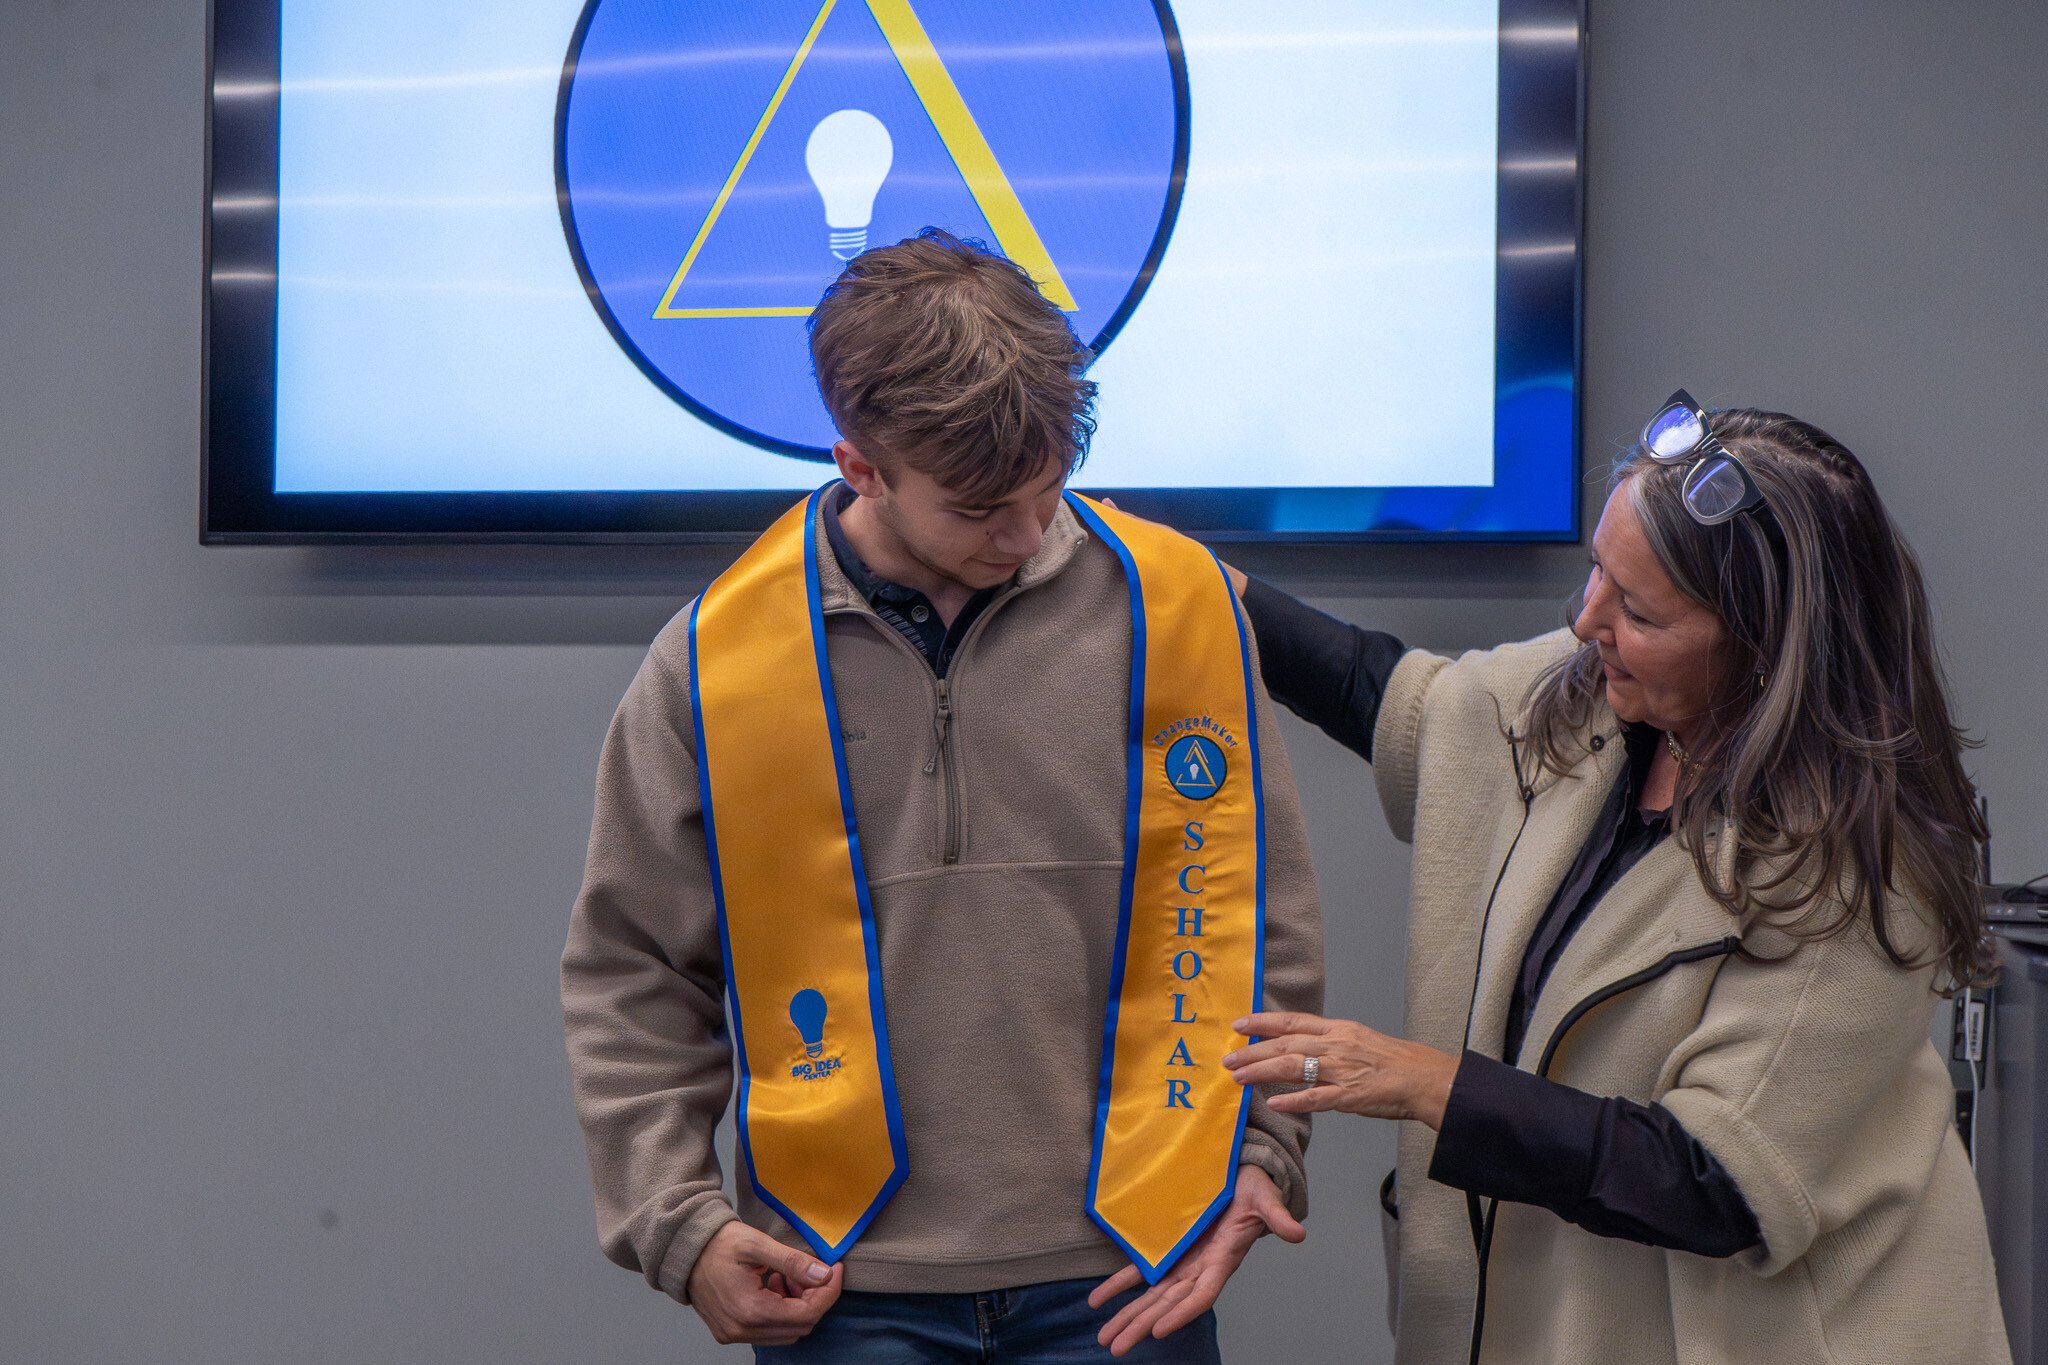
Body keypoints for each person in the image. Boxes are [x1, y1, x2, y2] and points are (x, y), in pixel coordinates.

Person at [559, 229, 1324, 1361]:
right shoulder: (714, 660)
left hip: (1129, 1273)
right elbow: (634, 971)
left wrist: (1265, 1152)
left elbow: (1261, 928)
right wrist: (677, 1225)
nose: (1021, 537)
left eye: (1046, 491)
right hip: (839, 1284)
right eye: (976, 512)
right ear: (860, 465)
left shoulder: (1182, 612)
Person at [1152, 394, 2008, 1363]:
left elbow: (1710, 1179)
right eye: (1596, 568)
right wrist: (1170, 574)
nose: (1584, 617)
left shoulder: (1859, 862)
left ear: (1765, 649)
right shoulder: (1578, 707)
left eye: (1637, 610)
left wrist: (1430, 1085)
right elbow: (1387, 695)